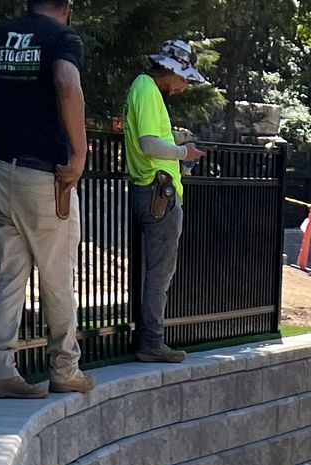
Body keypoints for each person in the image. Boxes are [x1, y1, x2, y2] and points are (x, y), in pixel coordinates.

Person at [0, 0, 93, 397]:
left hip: (0, 171)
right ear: (67, 6)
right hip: (44, 176)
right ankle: (65, 368)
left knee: (9, 276)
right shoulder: (62, 38)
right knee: (57, 277)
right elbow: (67, 82)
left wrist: (10, 104)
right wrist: (79, 152)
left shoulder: (1, 34)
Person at [122, 40, 207, 364]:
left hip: (152, 191)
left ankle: (150, 339)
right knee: (160, 274)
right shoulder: (146, 88)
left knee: (157, 273)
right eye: (184, 77)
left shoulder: (146, 90)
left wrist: (177, 149)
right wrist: (182, 152)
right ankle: (152, 342)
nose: (185, 86)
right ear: (170, 69)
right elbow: (148, 144)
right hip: (158, 194)